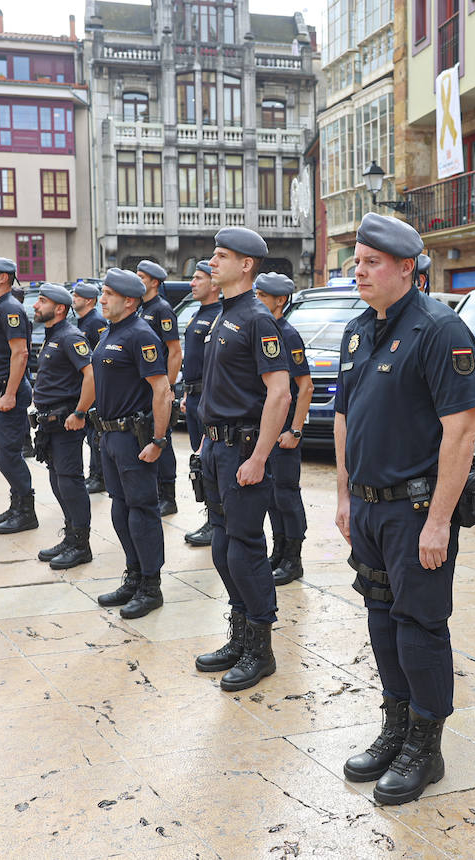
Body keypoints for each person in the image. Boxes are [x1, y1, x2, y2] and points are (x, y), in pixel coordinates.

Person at [333, 212, 475, 806]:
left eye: (372, 262)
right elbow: (344, 416)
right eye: (357, 261)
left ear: (406, 268)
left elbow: (461, 431)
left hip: (414, 511)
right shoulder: (358, 328)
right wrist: (343, 495)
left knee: (419, 627)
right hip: (368, 509)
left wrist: (440, 521)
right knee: (378, 616)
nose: (358, 271)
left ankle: (427, 742)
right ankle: (396, 725)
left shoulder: (439, 330)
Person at [192, 227, 290, 692]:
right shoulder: (222, 314)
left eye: (221, 256)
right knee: (221, 545)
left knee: (246, 550)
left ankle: (260, 649)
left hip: (242, 451)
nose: (212, 262)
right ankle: (239, 635)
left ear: (246, 265)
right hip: (215, 448)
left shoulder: (256, 318)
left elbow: (280, 392)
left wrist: (259, 456)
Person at [88, 270, 174, 616]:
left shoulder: (141, 335)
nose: (102, 299)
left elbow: (162, 390)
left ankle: (151, 587)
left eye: (109, 294)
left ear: (129, 301)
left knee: (142, 512)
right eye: (103, 293)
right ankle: (134, 575)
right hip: (109, 435)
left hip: (133, 437)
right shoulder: (110, 331)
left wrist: (158, 440)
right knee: (121, 509)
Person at [30, 283, 97, 570]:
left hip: (66, 421)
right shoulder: (52, 335)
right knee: (58, 480)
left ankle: (81, 545)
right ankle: (71, 536)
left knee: (70, 482)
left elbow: (91, 375)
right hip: (49, 422)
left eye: (41, 301)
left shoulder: (71, 337)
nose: (35, 305)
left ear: (59, 308)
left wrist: (80, 412)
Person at [252, 272, 311, 585]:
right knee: (272, 496)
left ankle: (294, 558)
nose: (257, 301)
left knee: (287, 495)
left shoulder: (287, 335)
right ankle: (278, 551)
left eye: (262, 296)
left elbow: (306, 386)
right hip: (266, 430)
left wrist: (296, 429)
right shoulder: (264, 330)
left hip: (285, 432)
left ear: (280, 300)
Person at [0, 256, 37, 534]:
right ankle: (16, 506)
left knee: (8, 454)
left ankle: (26, 512)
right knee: (3, 452)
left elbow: (20, 353)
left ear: (3, 278)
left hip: (7, 389)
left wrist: (10, 393)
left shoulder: (10, 309)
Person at [135, 260, 183, 516]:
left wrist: (170, 387)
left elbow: (175, 352)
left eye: (141, 277)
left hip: (159, 388)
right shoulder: (142, 309)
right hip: (144, 390)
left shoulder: (162, 309)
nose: (137, 280)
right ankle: (154, 490)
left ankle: (168, 495)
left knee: (162, 439)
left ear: (154, 282)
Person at [180, 260, 222, 547]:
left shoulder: (219, 316)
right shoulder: (198, 314)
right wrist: (186, 393)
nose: (192, 283)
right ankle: (211, 516)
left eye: (198, 278)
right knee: (200, 460)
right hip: (193, 396)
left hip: (208, 399)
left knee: (209, 460)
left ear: (214, 284)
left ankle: (217, 521)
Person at [71, 281, 107, 495]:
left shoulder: (96, 322)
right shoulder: (82, 322)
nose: (73, 298)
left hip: (97, 388)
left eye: (77, 295)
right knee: (90, 434)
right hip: (84, 387)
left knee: (96, 434)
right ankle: (94, 473)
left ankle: (98, 476)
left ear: (89, 301)